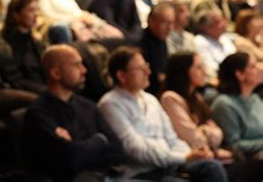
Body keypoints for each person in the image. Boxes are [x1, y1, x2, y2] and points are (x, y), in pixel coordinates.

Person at [98, 46, 228, 181]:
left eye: (146, 66)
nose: (148, 72)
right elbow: (134, 148)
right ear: (121, 75)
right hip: (139, 172)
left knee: (212, 167)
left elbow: (171, 138)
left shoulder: (151, 99)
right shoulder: (110, 104)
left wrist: (193, 153)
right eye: (140, 69)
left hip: (169, 163)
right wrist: (183, 157)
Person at [22, 44, 128, 181]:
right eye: (76, 65)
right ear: (56, 73)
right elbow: (70, 162)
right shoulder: (38, 113)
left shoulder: (88, 106)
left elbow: (118, 152)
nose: (84, 70)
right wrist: (100, 140)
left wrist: (78, 147)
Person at [161, 52, 233, 162]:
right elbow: (193, 139)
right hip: (185, 158)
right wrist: (206, 133)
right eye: (198, 68)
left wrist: (203, 131)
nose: (204, 72)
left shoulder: (197, 98)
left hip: (207, 155)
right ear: (184, 71)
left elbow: (219, 134)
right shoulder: (170, 99)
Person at [212, 52, 263, 180]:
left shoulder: (255, 99)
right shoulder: (224, 104)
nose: (259, 69)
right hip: (243, 162)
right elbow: (234, 145)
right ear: (239, 74)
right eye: (253, 66)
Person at [2, 0, 47, 94]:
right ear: (16, 15)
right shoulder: (6, 44)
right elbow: (15, 80)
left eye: (37, 10)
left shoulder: (36, 41)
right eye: (31, 10)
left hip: (43, 87)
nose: (36, 14)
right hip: (26, 92)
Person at [139, 1, 175, 96]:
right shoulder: (138, 44)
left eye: (171, 22)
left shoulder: (162, 40)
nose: (170, 28)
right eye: (164, 22)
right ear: (150, 22)